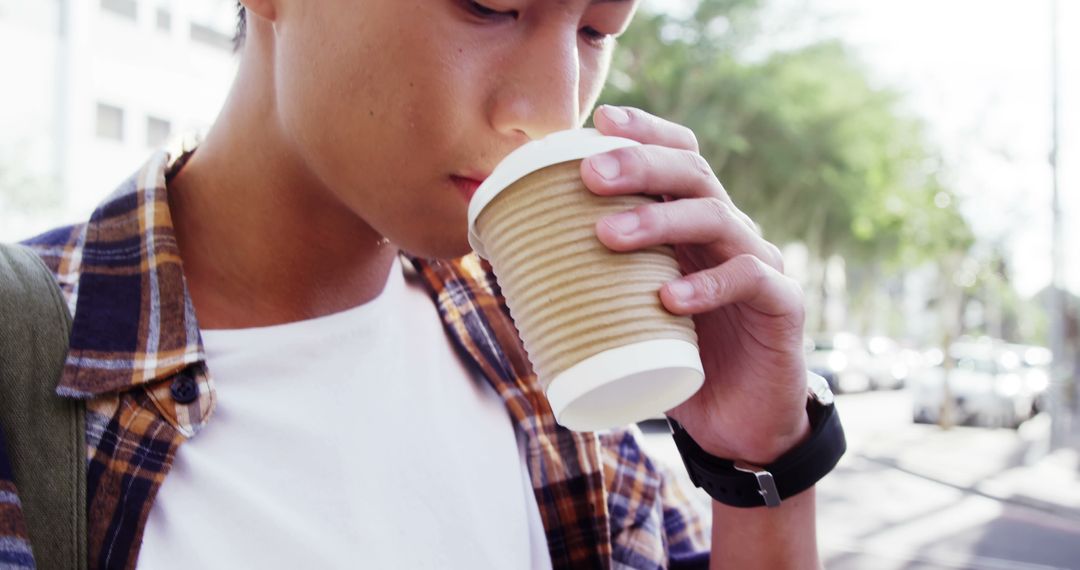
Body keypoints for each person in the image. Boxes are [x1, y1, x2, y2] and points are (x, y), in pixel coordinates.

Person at [4, 0, 834, 568]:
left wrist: (761, 469)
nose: (551, 111)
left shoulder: (536, 355)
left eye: (594, 31)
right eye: (490, 5)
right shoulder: (23, 366)